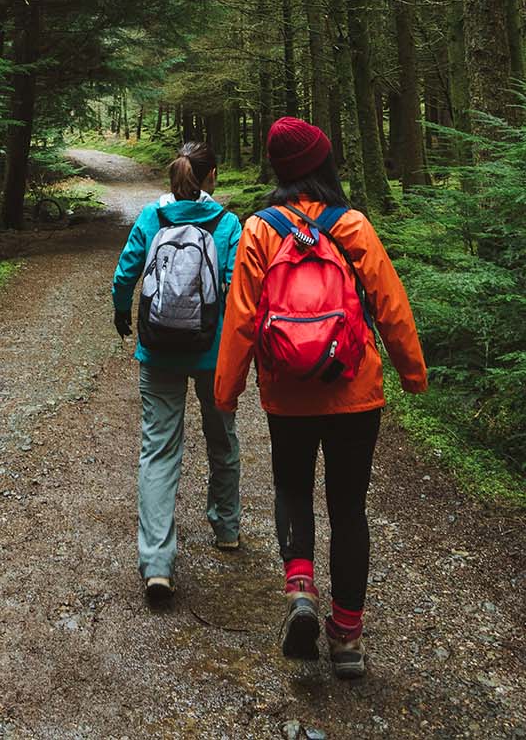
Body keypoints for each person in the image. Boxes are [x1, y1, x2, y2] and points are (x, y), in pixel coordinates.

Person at [214, 117, 426, 679]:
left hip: (288, 392)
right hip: (355, 390)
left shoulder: (259, 230)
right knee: (349, 508)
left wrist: (227, 391)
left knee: (292, 487)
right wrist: (412, 372)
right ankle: (348, 638)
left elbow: (240, 318)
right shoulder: (352, 225)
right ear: (323, 165)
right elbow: (389, 303)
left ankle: (301, 588)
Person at [110, 141, 244, 605]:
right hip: (212, 352)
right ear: (211, 177)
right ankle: (226, 527)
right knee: (221, 437)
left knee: (158, 450)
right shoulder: (227, 224)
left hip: (158, 349)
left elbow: (126, 272)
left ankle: (157, 564)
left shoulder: (153, 217)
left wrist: (121, 311)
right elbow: (237, 289)